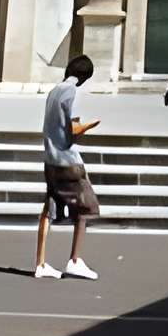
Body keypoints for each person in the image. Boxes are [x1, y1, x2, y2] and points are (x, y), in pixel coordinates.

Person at [35, 53, 101, 280]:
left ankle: (41, 263)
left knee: (48, 209)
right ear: (84, 77)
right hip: (68, 161)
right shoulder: (73, 92)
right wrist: (89, 126)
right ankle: (74, 260)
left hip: (50, 160)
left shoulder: (54, 91)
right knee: (86, 207)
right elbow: (73, 130)